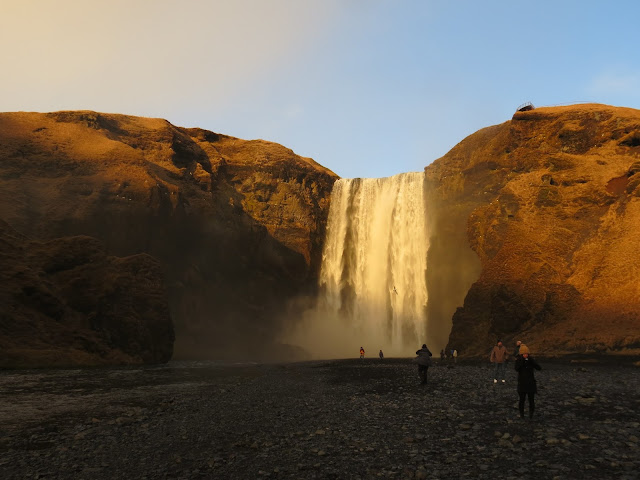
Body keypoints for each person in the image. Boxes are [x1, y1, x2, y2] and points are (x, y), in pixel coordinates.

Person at [514, 344, 541, 419]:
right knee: (522, 400)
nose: (526, 355)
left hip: (530, 383)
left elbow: (538, 368)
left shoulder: (531, 360)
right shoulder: (518, 360)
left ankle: (531, 415)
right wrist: (522, 361)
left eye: (527, 353)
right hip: (522, 383)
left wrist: (532, 361)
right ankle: (522, 415)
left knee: (531, 400)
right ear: (521, 354)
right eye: (524, 354)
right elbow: (517, 368)